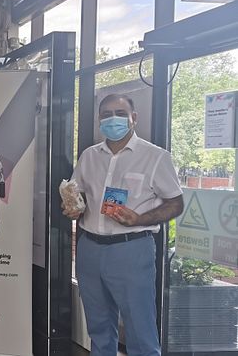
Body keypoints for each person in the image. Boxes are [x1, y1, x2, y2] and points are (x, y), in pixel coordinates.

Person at [62, 94, 184, 356]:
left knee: (140, 331)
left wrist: (140, 219)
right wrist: (73, 207)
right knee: (98, 328)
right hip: (90, 249)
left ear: (134, 118)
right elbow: (78, 194)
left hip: (132, 250)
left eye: (119, 112)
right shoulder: (89, 156)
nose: (112, 118)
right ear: (99, 119)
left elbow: (175, 204)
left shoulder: (155, 157)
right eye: (106, 114)